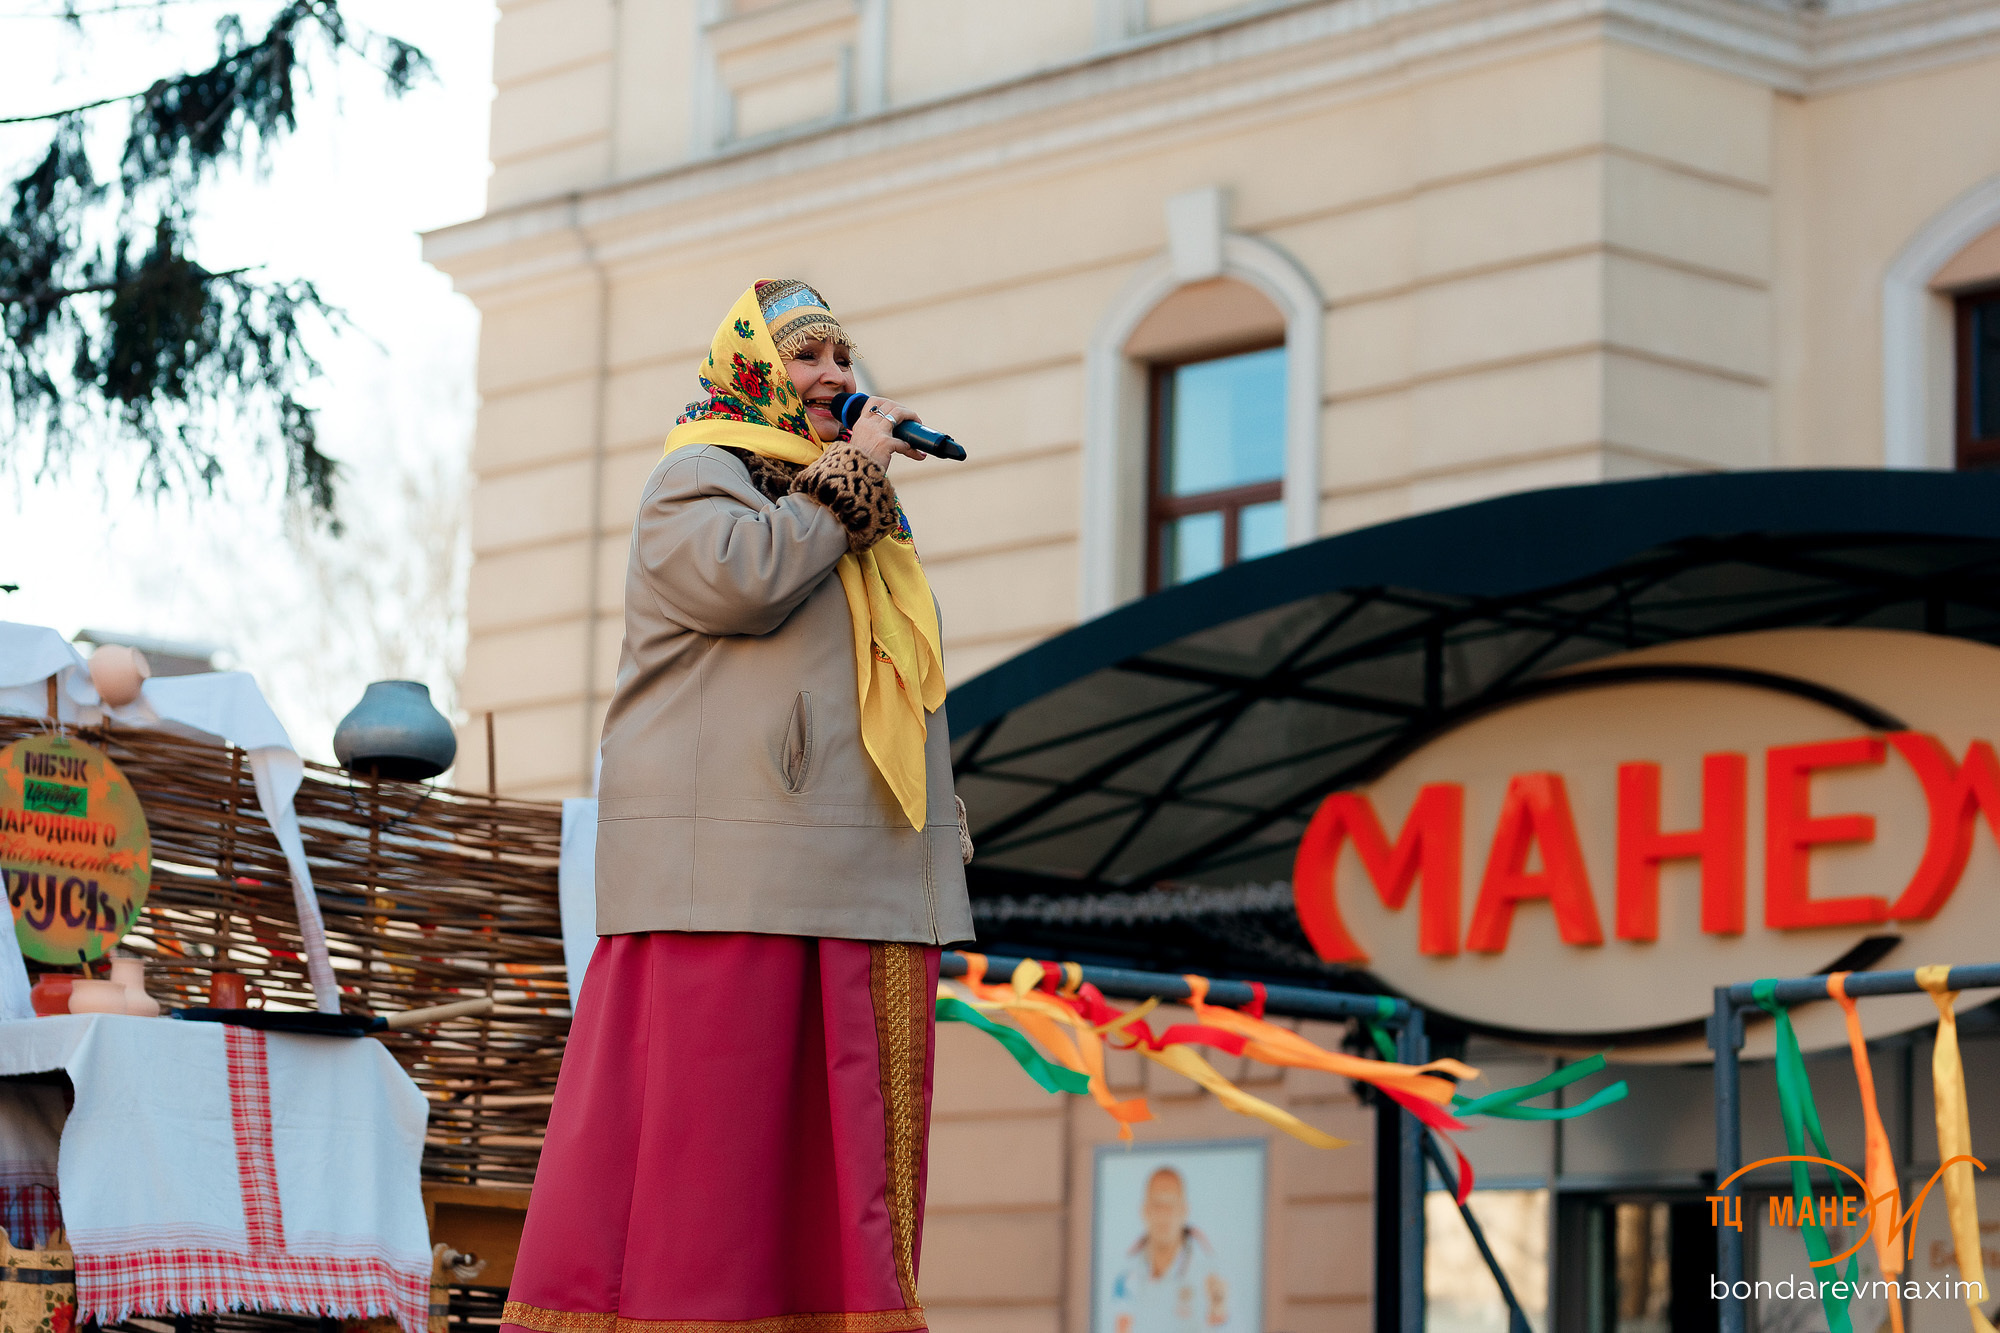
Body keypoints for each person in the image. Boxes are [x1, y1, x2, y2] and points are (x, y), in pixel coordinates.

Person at [499, 280, 975, 1333]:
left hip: (843, 878)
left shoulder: (839, 499)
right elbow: (739, 579)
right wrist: (848, 481)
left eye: (844, 359)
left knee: (821, 1168)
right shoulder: (698, 476)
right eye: (808, 357)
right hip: (730, 882)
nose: (838, 378)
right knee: (709, 1176)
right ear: (748, 367)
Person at [1111, 1167, 1231, 1333]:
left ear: (1184, 1211)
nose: (1164, 1214)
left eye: (1171, 1204)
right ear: (1145, 1211)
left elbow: (1222, 1326)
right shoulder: (1126, 1276)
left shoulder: (1209, 1275)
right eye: (1158, 1204)